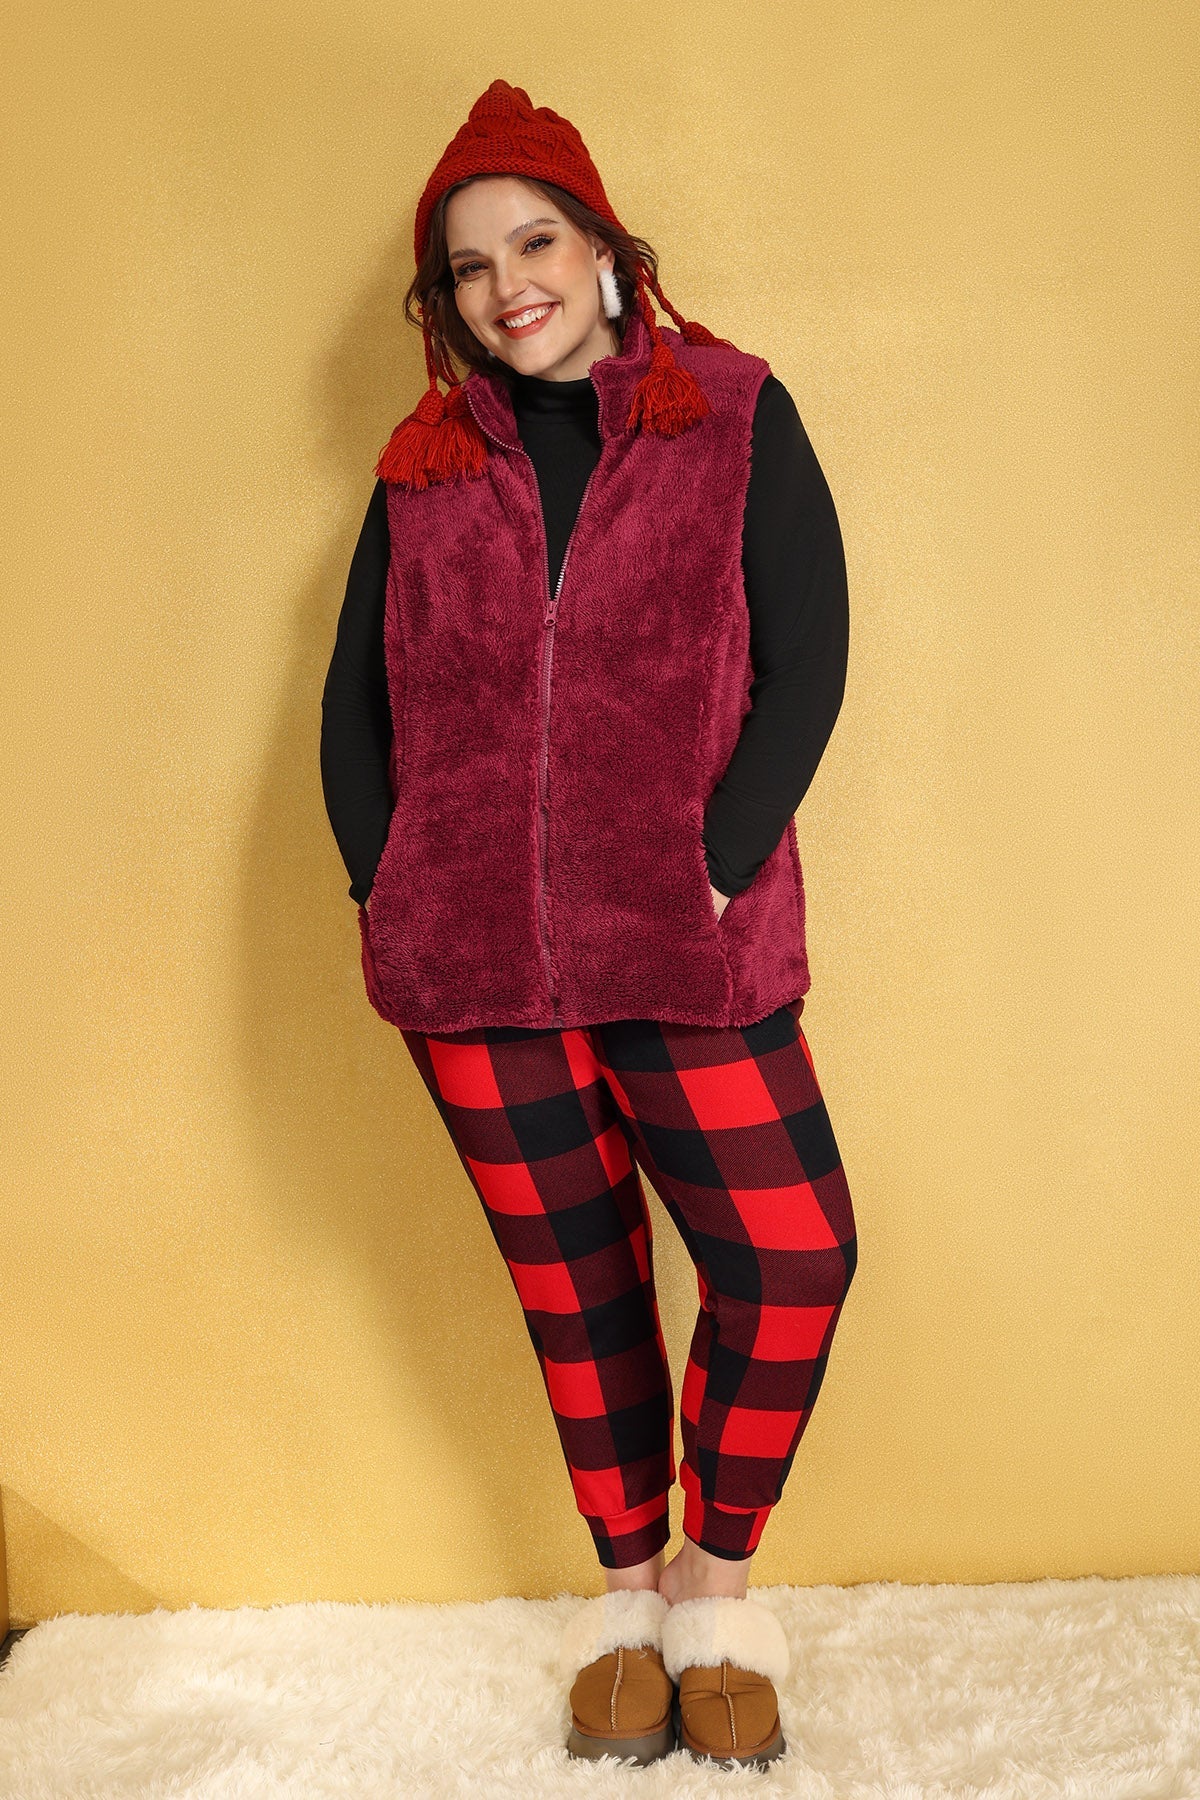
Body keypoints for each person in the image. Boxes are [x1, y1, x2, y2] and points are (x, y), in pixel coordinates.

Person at [320, 78, 858, 1770]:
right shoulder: (425, 470)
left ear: (607, 250)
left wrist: (721, 860)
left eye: (534, 242)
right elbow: (353, 707)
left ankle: (716, 1588)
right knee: (578, 1289)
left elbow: (809, 656)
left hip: (686, 945)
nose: (507, 287)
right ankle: (627, 1603)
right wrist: (387, 884)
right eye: (469, 268)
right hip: (474, 967)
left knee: (792, 1258)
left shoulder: (732, 413)